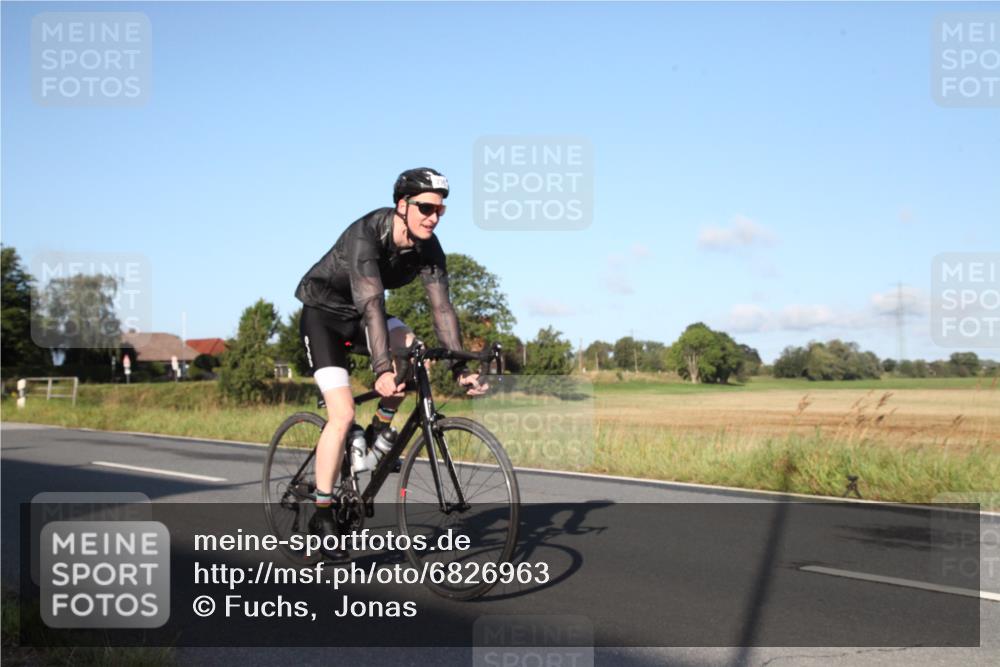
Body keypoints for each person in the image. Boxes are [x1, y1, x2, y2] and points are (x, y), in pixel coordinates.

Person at [294, 168, 489, 561]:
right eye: (426, 207)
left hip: (367, 318)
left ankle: (378, 433)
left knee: (417, 355)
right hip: (325, 317)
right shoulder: (368, 232)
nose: (433, 216)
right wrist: (382, 370)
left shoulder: (429, 248)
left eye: (440, 209)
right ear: (402, 205)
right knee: (342, 413)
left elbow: (442, 309)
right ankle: (322, 511)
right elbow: (370, 303)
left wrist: (460, 367)